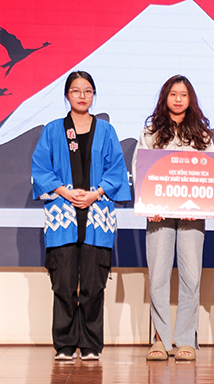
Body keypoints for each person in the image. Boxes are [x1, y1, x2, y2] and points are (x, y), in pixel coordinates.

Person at [31, 71, 131, 360]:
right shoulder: (52, 129)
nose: (82, 96)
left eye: (87, 91)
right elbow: (40, 168)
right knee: (62, 284)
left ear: (94, 95)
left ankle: (89, 345)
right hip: (62, 215)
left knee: (93, 285)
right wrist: (65, 191)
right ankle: (63, 344)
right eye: (76, 91)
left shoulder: (106, 130)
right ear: (67, 95)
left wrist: (95, 193)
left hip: (97, 215)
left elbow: (116, 170)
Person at [132, 75, 214, 361]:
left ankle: (186, 339)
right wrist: (147, 202)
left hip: (193, 215)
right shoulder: (151, 132)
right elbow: (139, 167)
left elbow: (212, 173)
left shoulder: (202, 135)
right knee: (158, 276)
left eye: (183, 94)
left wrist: (204, 205)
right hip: (158, 215)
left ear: (190, 99)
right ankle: (160, 338)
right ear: (164, 97)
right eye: (173, 94)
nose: (178, 99)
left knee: (191, 276)